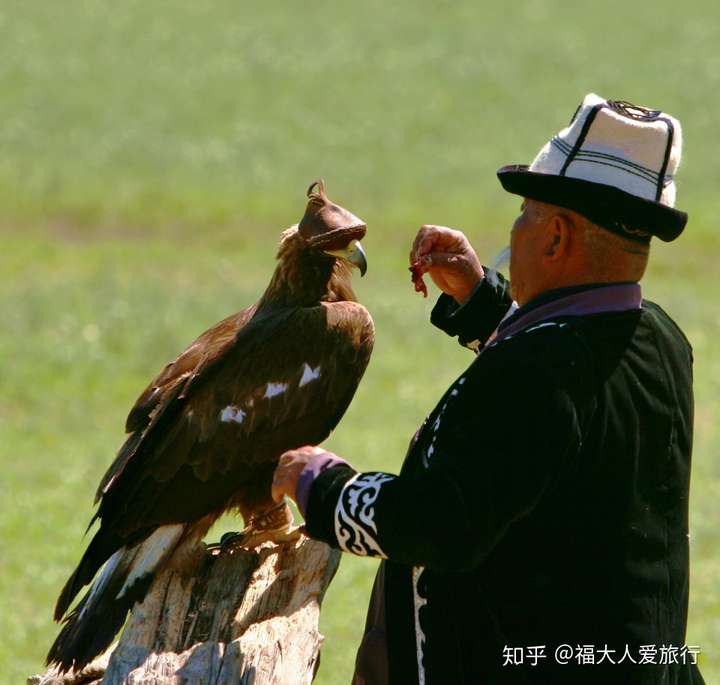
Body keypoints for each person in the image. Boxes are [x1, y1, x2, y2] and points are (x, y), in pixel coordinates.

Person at [271, 94, 706, 685]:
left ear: (556, 238)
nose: (514, 228)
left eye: (526, 211)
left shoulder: (536, 374)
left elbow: (439, 525)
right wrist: (481, 300)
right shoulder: (659, 339)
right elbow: (558, 409)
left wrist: (323, 486)